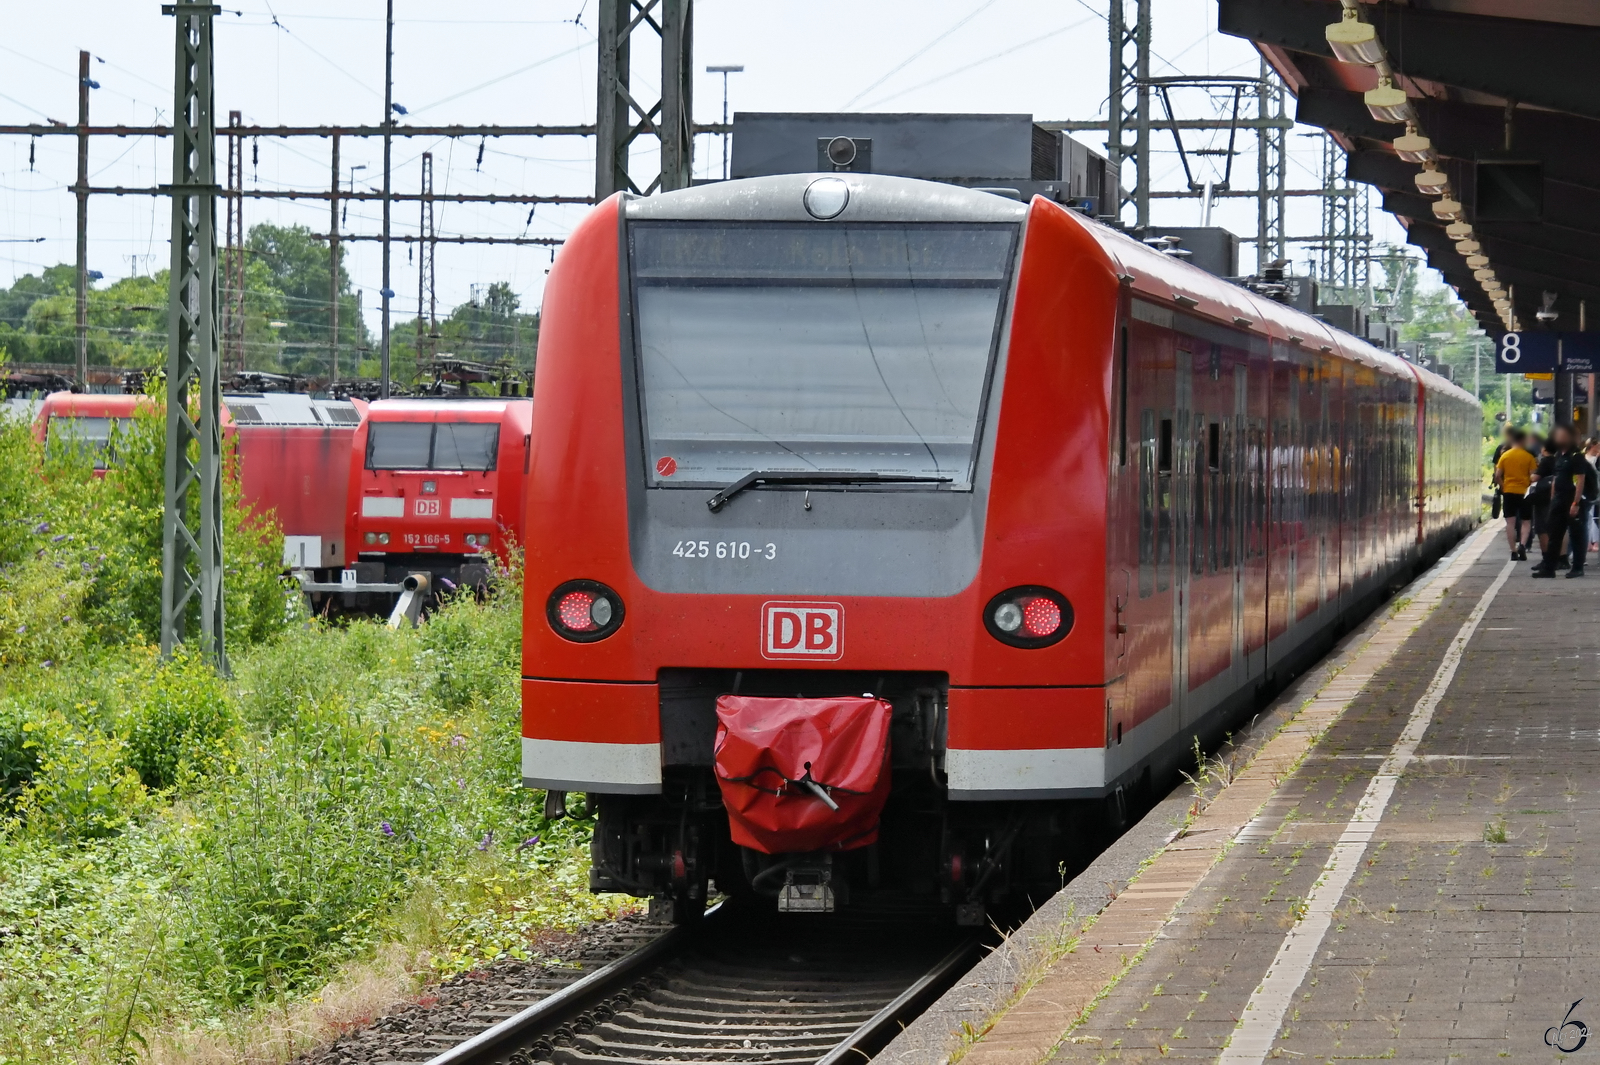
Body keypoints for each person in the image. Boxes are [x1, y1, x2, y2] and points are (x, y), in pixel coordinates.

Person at [1533, 425, 1598, 578]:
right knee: (1554, 534)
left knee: (1577, 534)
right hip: (1558, 500)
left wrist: (1575, 503)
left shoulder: (1576, 457)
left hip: (1572, 501)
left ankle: (1577, 567)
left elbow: (1579, 480)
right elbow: (1556, 478)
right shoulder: (1559, 456)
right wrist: (1553, 497)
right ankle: (1549, 568)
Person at [1494, 428, 1537, 560]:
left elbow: (1497, 475)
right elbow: (1533, 476)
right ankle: (1523, 545)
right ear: (1523, 440)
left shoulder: (1505, 456)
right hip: (1524, 493)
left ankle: (1513, 551)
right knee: (1526, 521)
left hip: (1509, 492)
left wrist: (1504, 486)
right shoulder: (1528, 457)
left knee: (1510, 523)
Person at [1528, 434, 1557, 561]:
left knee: (1542, 529)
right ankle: (1556, 557)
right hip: (1554, 497)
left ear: (1544, 449)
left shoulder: (1545, 461)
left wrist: (1532, 474)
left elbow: (1535, 478)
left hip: (1543, 498)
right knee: (1552, 528)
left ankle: (1547, 559)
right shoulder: (1558, 460)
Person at [1490, 424, 1516, 521]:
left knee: (1508, 506)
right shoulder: (1522, 448)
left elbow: (1495, 466)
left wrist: (1498, 481)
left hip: (1505, 482)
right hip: (1520, 483)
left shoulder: (1501, 448)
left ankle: (1510, 523)